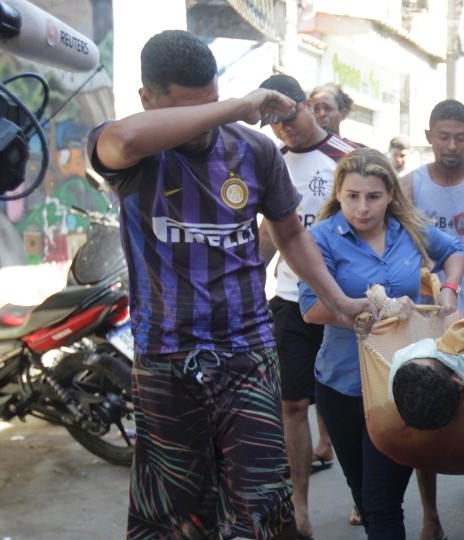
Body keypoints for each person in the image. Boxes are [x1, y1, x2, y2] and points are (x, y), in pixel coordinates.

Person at [87, 30, 369, 540]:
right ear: (147, 100)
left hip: (246, 351)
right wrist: (235, 105)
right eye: (194, 110)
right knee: (175, 507)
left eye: (213, 103)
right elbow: (124, 141)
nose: (207, 125)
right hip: (164, 357)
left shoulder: (255, 152)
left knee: (262, 499)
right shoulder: (132, 149)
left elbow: (289, 234)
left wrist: (338, 299)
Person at [299, 148, 464, 539]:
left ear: (391, 194)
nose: (362, 208)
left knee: (381, 499)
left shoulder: (406, 229)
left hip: (400, 388)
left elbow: (453, 252)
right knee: (365, 496)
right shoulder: (320, 237)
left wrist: (450, 293)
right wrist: (371, 308)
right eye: (353, 196)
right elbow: (309, 308)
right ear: (338, 192)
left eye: (373, 196)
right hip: (342, 387)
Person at [257, 73, 360, 538]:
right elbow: (266, 234)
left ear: (307, 105)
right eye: (273, 124)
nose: (284, 130)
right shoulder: (269, 161)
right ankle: (299, 508)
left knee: (355, 401)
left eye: (288, 117)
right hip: (289, 301)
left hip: (344, 302)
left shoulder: (347, 158)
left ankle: (365, 493)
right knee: (293, 404)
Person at [399, 99, 464, 540]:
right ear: (429, 136)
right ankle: (430, 516)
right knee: (423, 417)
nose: (452, 145)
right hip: (425, 317)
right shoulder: (410, 186)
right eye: (444, 136)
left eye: (460, 137)